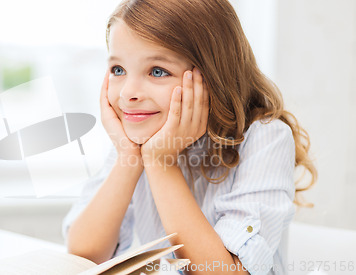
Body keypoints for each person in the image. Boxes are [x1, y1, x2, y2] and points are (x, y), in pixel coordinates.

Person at [62, 0, 317, 274]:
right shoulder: (137, 140)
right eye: (118, 70)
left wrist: (161, 163)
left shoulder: (265, 138)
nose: (127, 94)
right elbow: (84, 255)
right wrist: (129, 157)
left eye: (157, 71)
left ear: (212, 75)